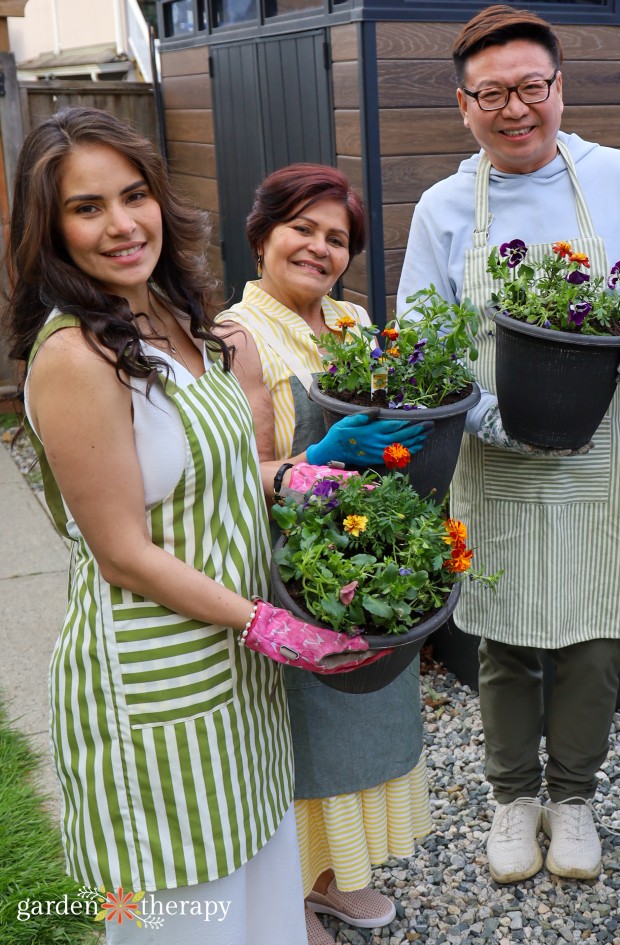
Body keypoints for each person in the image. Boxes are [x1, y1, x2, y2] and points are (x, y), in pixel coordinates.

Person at [2, 107, 391, 945]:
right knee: (182, 920)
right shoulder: (74, 356)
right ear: (51, 228)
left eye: (132, 195)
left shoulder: (173, 320)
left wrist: (296, 470)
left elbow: (208, 479)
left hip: (235, 671)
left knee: (258, 891)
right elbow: (125, 552)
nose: (120, 224)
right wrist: (266, 622)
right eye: (86, 206)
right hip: (156, 680)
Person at [396, 5, 620, 884]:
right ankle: (511, 798)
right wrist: (480, 412)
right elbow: (423, 339)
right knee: (506, 639)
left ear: (561, 88)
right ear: (464, 104)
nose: (515, 108)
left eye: (532, 86)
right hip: (496, 460)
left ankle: (573, 797)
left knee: (596, 636)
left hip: (601, 453)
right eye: (493, 93)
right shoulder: (444, 207)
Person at [220, 164, 432, 941]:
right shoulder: (235, 335)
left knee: (368, 713)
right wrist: (326, 450)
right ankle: (293, 891)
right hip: (298, 562)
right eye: (301, 228)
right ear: (262, 232)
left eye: (336, 238)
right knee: (310, 732)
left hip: (367, 549)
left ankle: (339, 877)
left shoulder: (354, 320)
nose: (317, 248)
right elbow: (246, 471)